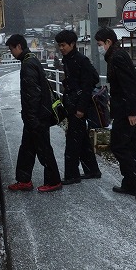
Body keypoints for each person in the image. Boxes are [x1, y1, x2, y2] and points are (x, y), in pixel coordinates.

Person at [94, 27, 136, 200]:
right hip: (124, 108)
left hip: (125, 110)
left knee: (119, 147)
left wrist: (132, 112)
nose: (99, 48)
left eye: (100, 44)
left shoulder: (117, 57)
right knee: (127, 148)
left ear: (108, 42)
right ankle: (130, 184)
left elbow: (129, 86)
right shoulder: (116, 55)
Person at [5, 34, 62, 193]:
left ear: (18, 46)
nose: (11, 53)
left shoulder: (28, 64)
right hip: (37, 115)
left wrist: (31, 118)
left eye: (11, 49)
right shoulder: (31, 60)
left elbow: (32, 94)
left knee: (43, 149)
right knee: (27, 149)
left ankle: (53, 181)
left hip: (36, 117)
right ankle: (24, 180)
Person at [54, 30, 102, 185]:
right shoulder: (68, 59)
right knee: (81, 139)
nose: (61, 48)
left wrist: (81, 108)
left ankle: (72, 175)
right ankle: (92, 170)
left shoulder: (80, 60)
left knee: (73, 141)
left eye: (63, 45)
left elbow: (87, 86)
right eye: (59, 46)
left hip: (78, 106)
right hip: (73, 104)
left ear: (72, 44)